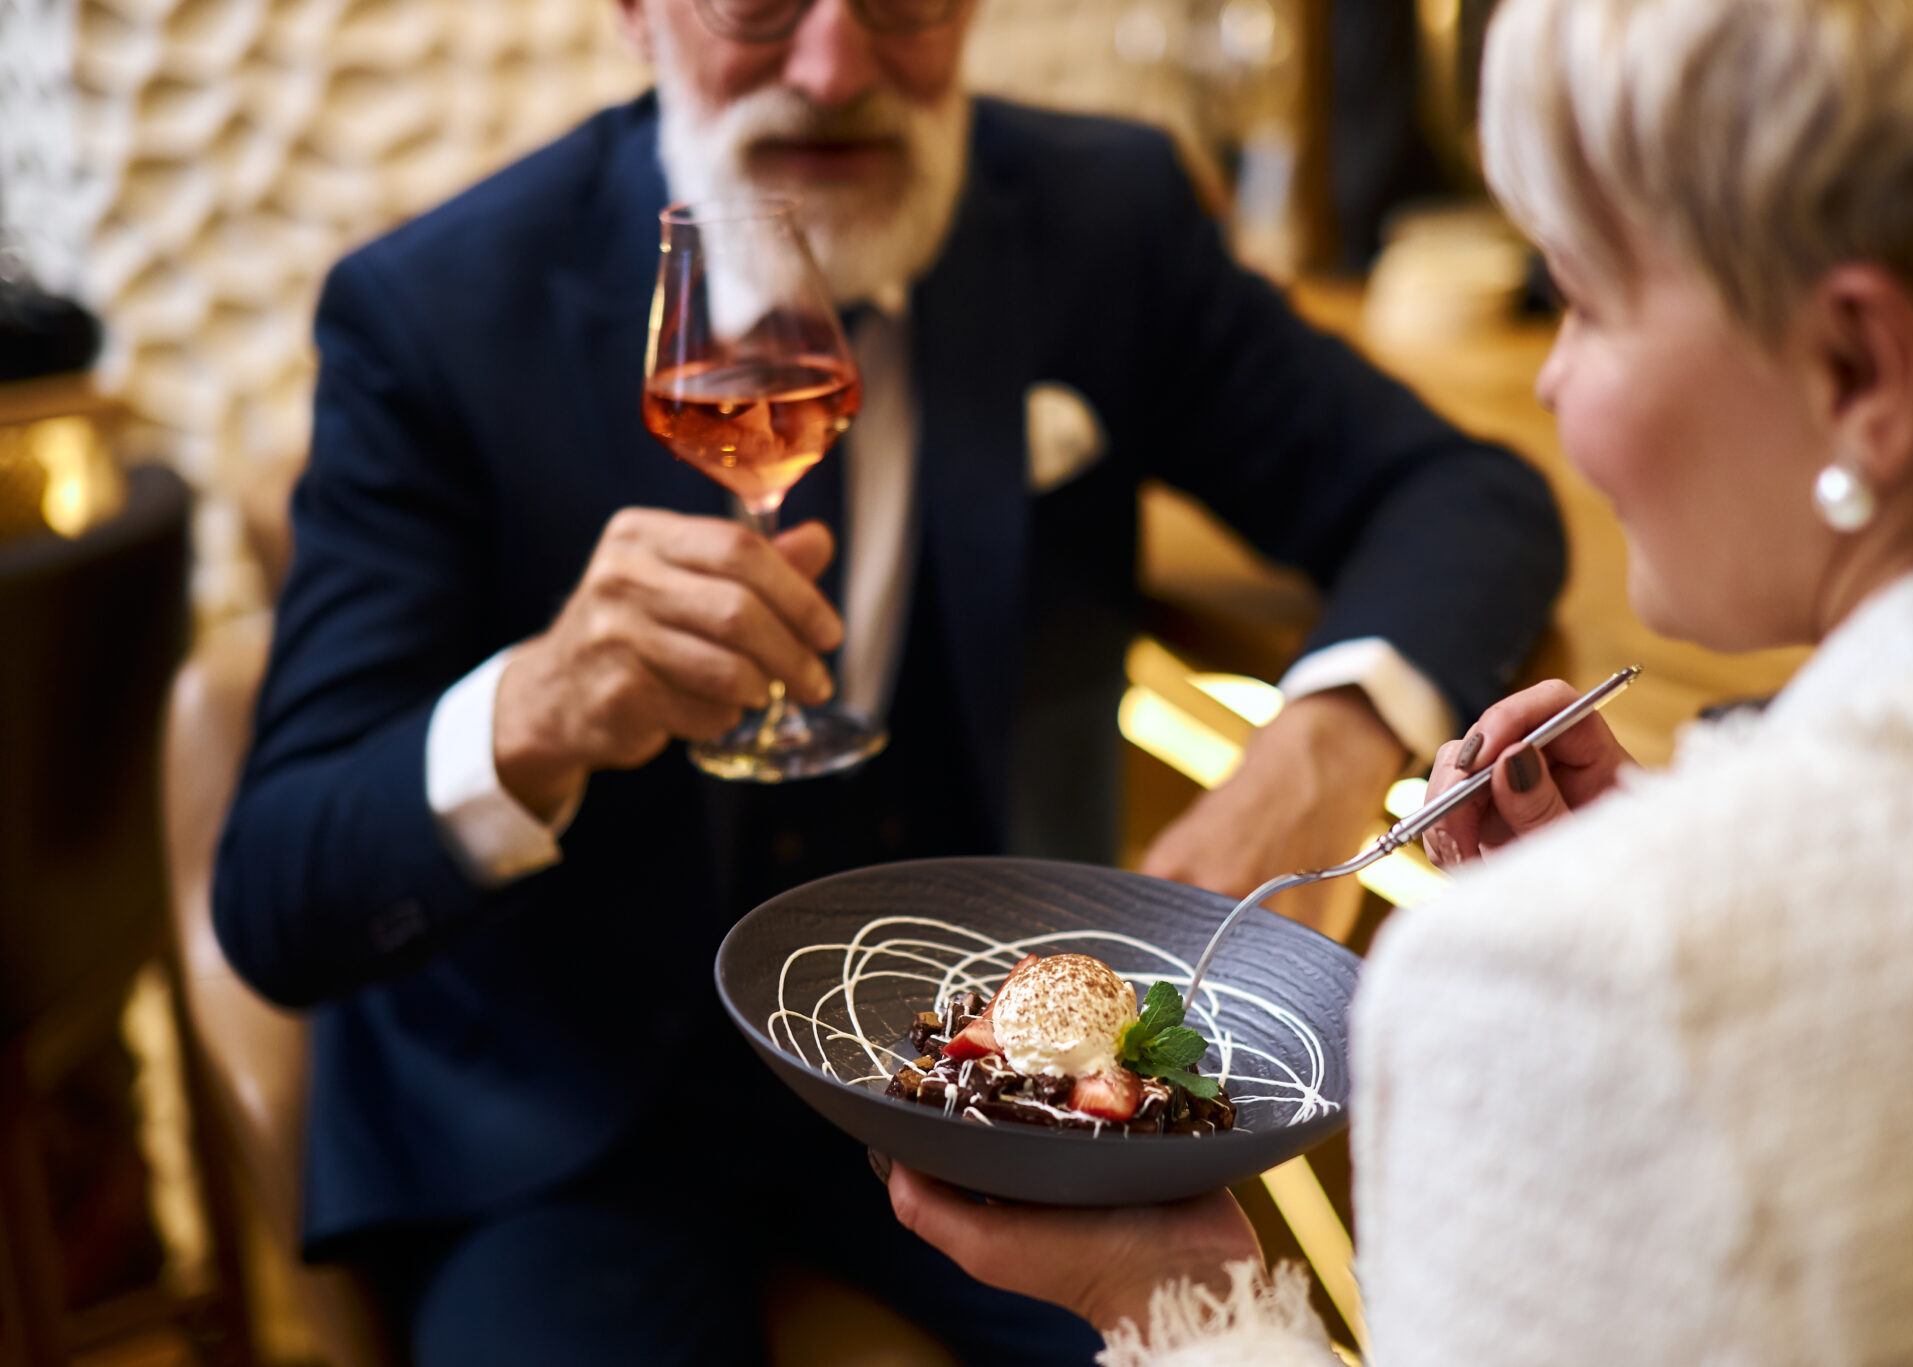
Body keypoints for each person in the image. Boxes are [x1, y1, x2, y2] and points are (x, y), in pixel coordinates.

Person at [210, 0, 1564, 1361]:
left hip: (983, 1074)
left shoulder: (1104, 217)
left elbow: (1465, 493)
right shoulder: (434, 307)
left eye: (901, 3)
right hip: (573, 1129)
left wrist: (1319, 752)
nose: (835, 68)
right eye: (759, 8)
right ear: (635, 15)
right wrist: (536, 709)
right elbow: (278, 889)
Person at [883, 0, 1913, 1361]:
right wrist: (1651, 844)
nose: (1545, 379)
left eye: (1584, 300)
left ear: (1860, 367)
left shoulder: (1542, 976)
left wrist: (1160, 1294)